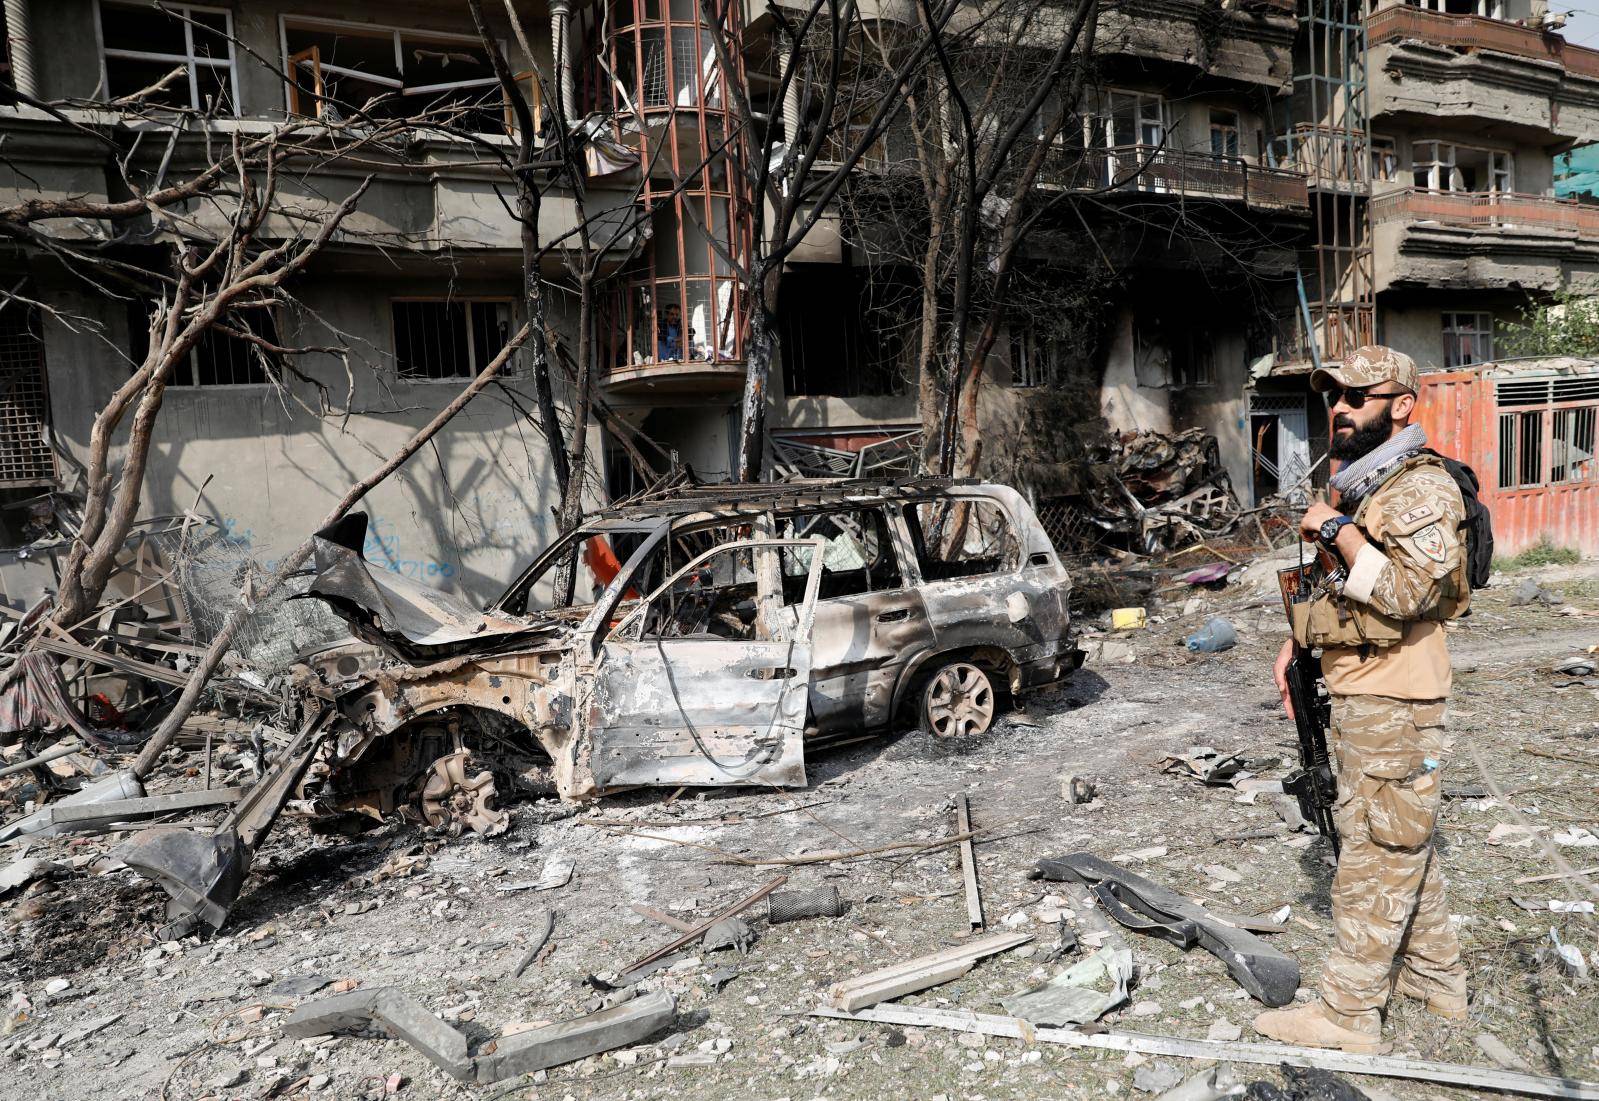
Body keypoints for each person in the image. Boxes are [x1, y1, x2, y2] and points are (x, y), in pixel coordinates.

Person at [1253, 346, 1471, 1055]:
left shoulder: (1418, 486)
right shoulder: (1370, 483)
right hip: (1366, 688)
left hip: (1393, 698)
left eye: (1356, 395)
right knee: (1399, 841)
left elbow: (1407, 591)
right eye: (1332, 398)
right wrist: (1301, 641)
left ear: (1401, 404)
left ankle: (1347, 1014)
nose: (1339, 409)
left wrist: (1331, 528)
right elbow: (1347, 587)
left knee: (1371, 854)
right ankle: (1436, 978)